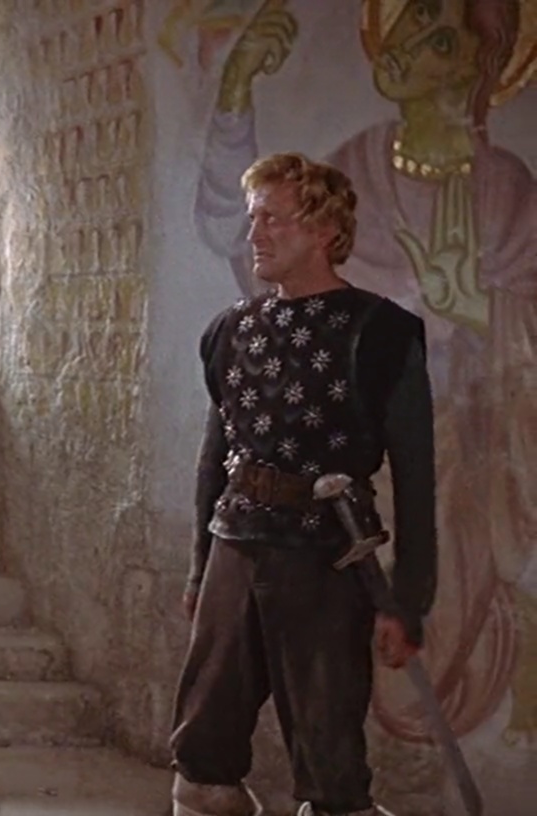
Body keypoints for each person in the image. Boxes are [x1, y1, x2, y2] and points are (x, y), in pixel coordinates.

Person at [170, 153, 438, 816]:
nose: (255, 234)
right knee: (204, 742)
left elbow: (415, 474)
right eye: (253, 218)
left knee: (329, 747)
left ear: (324, 230)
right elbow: (215, 458)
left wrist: (407, 601)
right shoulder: (230, 331)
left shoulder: (381, 334)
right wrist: (201, 570)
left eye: (274, 219)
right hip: (236, 542)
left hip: (327, 554)